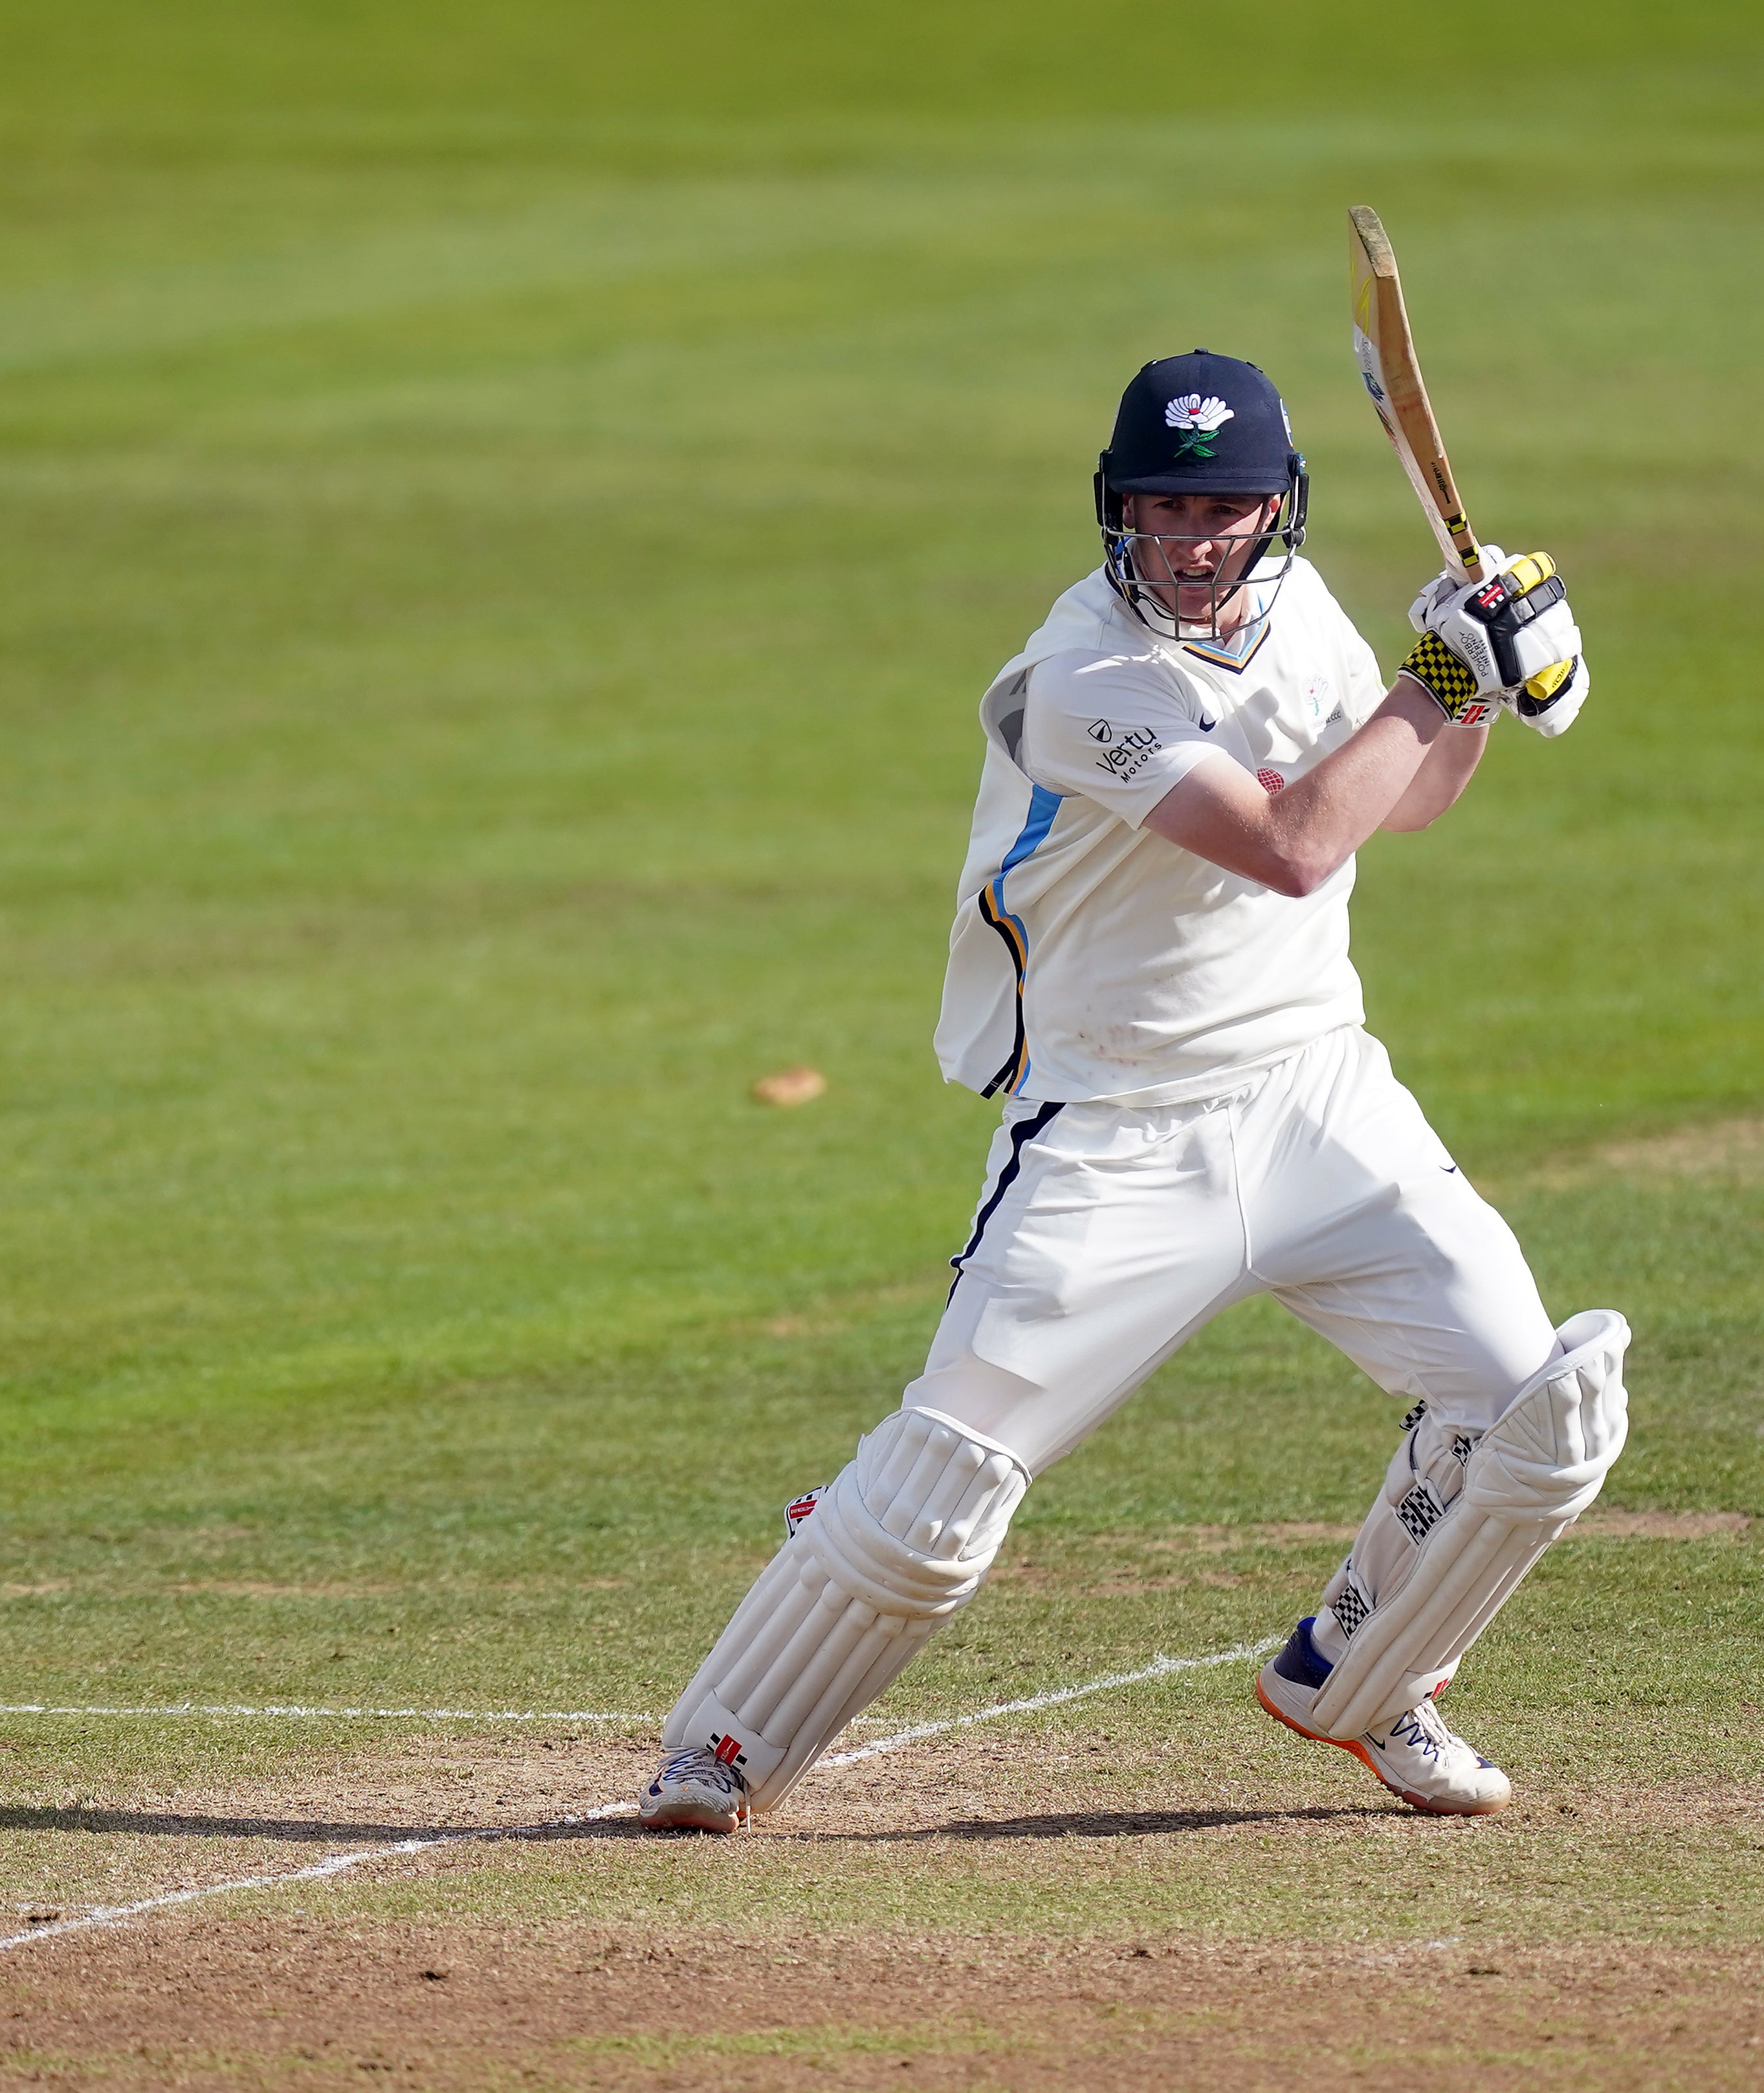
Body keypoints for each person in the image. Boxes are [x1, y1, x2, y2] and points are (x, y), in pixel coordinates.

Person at [638, 349, 1630, 1831]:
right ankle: (723, 1741)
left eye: (1222, 508)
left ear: (1276, 511)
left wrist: (1481, 692)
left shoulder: (1301, 615)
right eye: (1163, 505)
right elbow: (1295, 840)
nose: (1192, 537)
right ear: (1116, 511)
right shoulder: (1081, 678)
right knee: (935, 1500)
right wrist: (1445, 672)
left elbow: (1394, 796)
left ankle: (1365, 1678)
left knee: (1541, 1409)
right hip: (1113, 1134)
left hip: (1317, 1098)